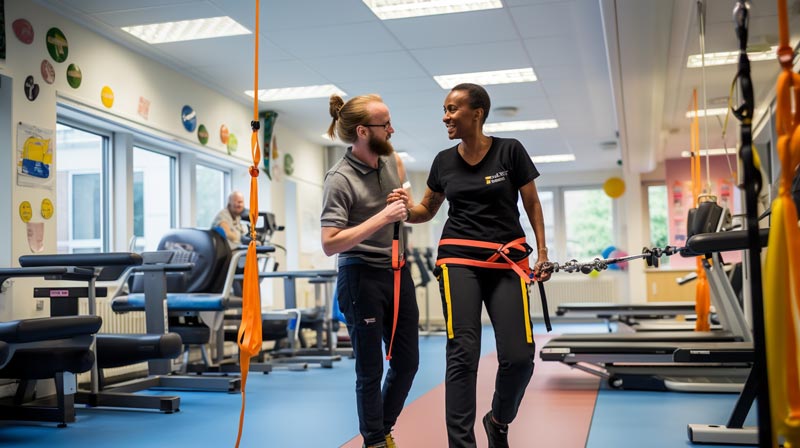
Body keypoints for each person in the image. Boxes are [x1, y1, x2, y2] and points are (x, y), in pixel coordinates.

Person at [391, 83, 551, 448]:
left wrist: (542, 253)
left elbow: (533, 205)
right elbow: (426, 210)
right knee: (463, 353)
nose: (445, 116)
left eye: (452, 109)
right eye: (444, 109)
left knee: (519, 357)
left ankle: (498, 420)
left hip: (506, 260)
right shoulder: (443, 161)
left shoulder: (510, 151)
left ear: (476, 113)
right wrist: (404, 205)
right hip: (458, 261)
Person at [320, 93, 419, 448]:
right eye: (385, 124)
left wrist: (410, 205)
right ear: (363, 131)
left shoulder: (395, 162)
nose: (392, 129)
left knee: (407, 363)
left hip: (397, 271)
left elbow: (406, 207)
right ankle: (375, 441)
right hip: (360, 275)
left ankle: (382, 428)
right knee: (370, 370)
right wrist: (383, 216)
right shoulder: (339, 178)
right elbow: (330, 243)